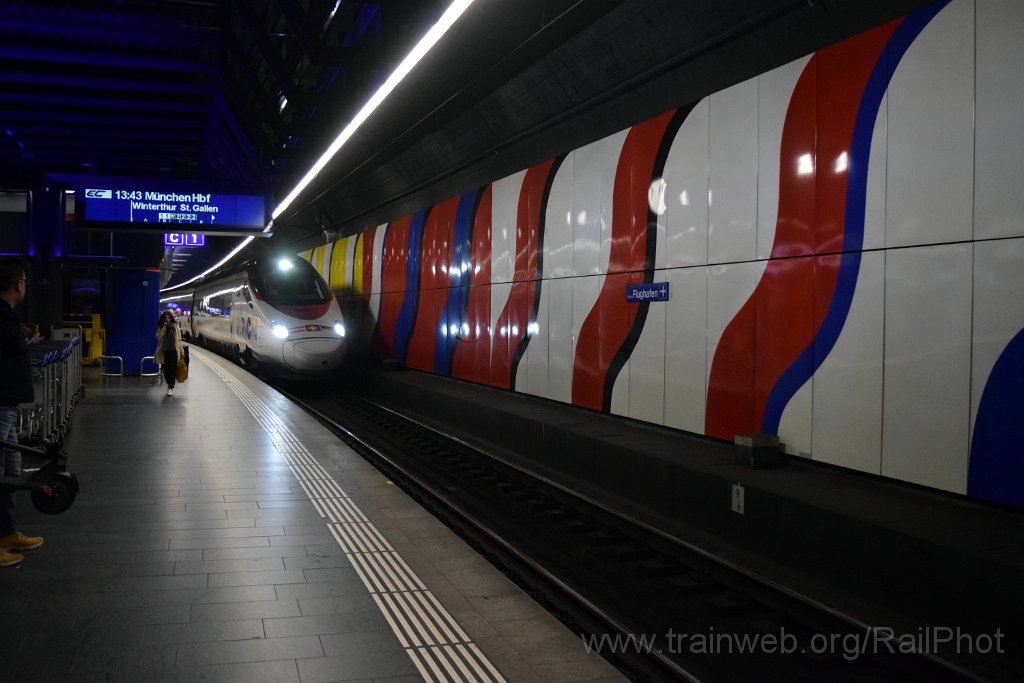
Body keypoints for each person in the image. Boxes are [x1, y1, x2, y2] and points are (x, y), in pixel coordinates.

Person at [0, 258, 44, 568]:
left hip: (8, 404)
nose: (25, 286)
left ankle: (7, 532)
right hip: (0, 403)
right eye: (25, 281)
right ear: (18, 284)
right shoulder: (1, 318)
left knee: (11, 469)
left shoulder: (8, 317)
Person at [154, 310, 184, 397]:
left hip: (174, 352)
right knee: (166, 371)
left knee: (173, 370)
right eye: (165, 318)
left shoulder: (176, 327)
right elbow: (158, 338)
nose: (167, 319)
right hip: (164, 352)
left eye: (169, 318)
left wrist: (182, 351)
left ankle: (171, 387)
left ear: (171, 318)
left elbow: (179, 340)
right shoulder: (161, 327)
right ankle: (169, 383)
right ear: (163, 319)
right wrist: (163, 328)